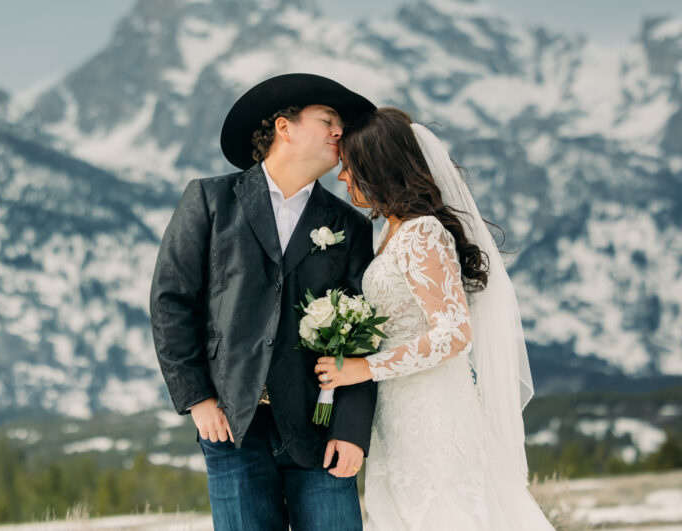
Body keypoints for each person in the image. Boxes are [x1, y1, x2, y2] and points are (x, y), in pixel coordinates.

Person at [150, 73, 378, 531]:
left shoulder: (350, 226)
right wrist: (198, 399)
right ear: (284, 127)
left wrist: (352, 432)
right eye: (328, 120)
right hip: (232, 426)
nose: (340, 132)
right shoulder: (210, 201)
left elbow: (362, 334)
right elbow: (171, 302)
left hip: (320, 428)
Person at [315, 107, 555, 530]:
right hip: (398, 410)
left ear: (378, 168)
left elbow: (453, 334)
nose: (342, 177)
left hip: (434, 412)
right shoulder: (391, 233)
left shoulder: (422, 233)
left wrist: (363, 368)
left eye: (349, 168)